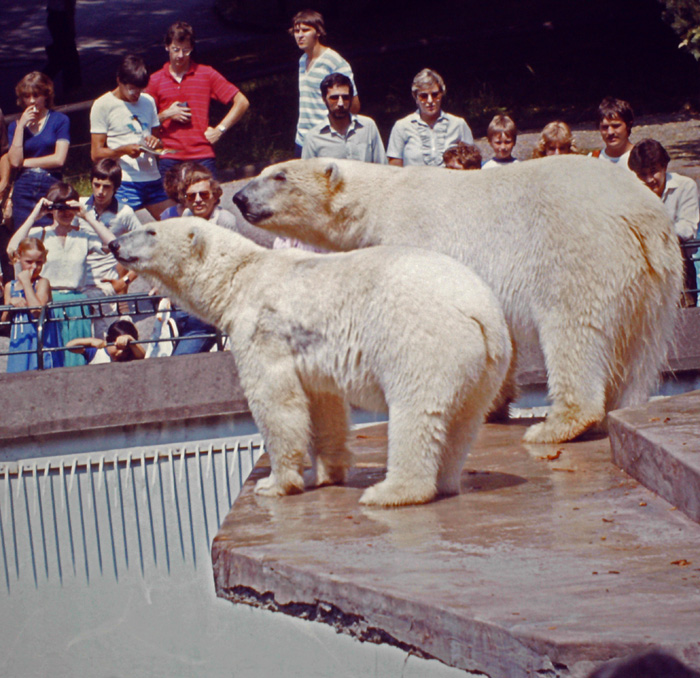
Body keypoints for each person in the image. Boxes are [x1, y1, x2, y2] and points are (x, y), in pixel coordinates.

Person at [7, 182, 117, 367]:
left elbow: (114, 245)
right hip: (48, 300)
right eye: (60, 207)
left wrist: (87, 216)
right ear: (51, 208)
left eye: (69, 207)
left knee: (76, 360)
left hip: (76, 304)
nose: (66, 213)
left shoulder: (82, 237)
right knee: (52, 359)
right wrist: (36, 214)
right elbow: (12, 249)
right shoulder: (40, 234)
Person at [145, 21, 249, 179]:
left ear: (192, 49)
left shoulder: (206, 74)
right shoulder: (155, 80)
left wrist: (220, 130)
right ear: (166, 47)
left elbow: (242, 102)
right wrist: (166, 114)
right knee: (170, 204)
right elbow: (142, 121)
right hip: (169, 157)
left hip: (202, 155)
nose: (180, 55)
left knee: (207, 203)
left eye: (186, 50)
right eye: (176, 49)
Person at [90, 55, 172, 219]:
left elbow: (158, 143)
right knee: (116, 230)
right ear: (119, 80)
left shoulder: (148, 101)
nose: (137, 94)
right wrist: (123, 150)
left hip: (152, 178)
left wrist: (155, 144)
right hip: (124, 181)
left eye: (141, 89)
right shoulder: (103, 105)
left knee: (176, 225)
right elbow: (96, 154)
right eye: (132, 89)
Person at [629, 138, 700, 306]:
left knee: (684, 320)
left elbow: (686, 229)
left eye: (654, 171)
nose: (649, 180)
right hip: (644, 267)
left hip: (679, 265)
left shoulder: (685, 186)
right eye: (642, 174)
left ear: (664, 167)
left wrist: (652, 231)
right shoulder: (632, 192)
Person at [79, 159, 142, 338]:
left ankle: (123, 309)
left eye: (106, 187)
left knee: (106, 345)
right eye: (96, 185)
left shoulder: (125, 213)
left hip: (107, 287)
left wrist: (126, 281)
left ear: (116, 187)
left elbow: (147, 251)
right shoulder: (80, 206)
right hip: (79, 286)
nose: (100, 192)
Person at [290, 9, 359, 155]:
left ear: (318, 32)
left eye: (305, 30)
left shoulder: (334, 62)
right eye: (296, 31)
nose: (300, 35)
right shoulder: (302, 60)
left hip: (326, 140)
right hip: (302, 140)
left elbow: (354, 104)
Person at [8, 72, 70, 229]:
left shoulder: (59, 120)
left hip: (50, 183)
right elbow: (15, 162)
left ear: (46, 95)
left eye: (36, 96)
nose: (31, 101)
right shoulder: (15, 126)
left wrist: (25, 162)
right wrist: (21, 127)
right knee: (23, 237)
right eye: (26, 97)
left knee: (49, 234)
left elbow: (59, 159)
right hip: (24, 186)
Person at [387, 68, 473, 167]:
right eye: (423, 96)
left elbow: (472, 163)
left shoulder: (458, 124)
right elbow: (394, 170)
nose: (430, 100)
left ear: (442, 94)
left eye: (435, 95)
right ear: (416, 97)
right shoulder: (401, 127)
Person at [3, 237, 63, 371]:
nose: (34, 267)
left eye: (39, 262)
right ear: (17, 259)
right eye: (29, 262)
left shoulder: (42, 283)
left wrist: (25, 283)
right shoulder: (10, 287)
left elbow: (36, 310)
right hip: (20, 342)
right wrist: (10, 305)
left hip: (41, 342)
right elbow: (4, 321)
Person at [301, 73, 386, 163]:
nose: (340, 103)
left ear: (351, 99)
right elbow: (308, 175)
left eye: (345, 97)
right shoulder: (313, 138)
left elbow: (382, 167)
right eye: (334, 98)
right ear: (324, 99)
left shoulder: (368, 127)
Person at [66, 318, 145, 364]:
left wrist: (130, 339)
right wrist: (91, 341)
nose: (120, 353)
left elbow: (143, 356)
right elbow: (70, 346)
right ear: (108, 340)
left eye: (125, 350)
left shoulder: (132, 354)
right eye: (117, 347)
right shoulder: (96, 351)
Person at [592, 96, 635, 169]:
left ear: (628, 125)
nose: (610, 132)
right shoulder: (593, 159)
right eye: (605, 127)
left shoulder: (642, 158)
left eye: (616, 126)